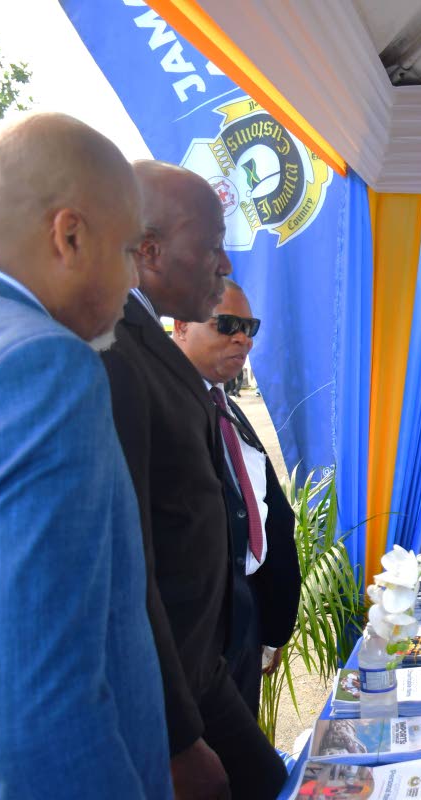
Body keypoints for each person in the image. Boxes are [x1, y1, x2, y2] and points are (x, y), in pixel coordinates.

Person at [0, 113, 172, 797]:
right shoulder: (39, 367)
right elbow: (37, 709)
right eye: (127, 254)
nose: (131, 286)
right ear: (71, 235)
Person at [103, 161, 286, 799]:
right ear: (149, 250)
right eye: (212, 245)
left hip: (204, 664)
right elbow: (129, 563)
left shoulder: (138, 347)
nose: (225, 265)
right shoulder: (115, 355)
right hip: (174, 682)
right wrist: (179, 733)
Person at [175, 278, 301, 717]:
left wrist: (269, 623)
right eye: (227, 324)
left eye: (250, 326)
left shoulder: (225, 405)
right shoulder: (164, 406)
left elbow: (264, 512)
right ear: (180, 327)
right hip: (197, 634)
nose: (242, 337)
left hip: (244, 622)